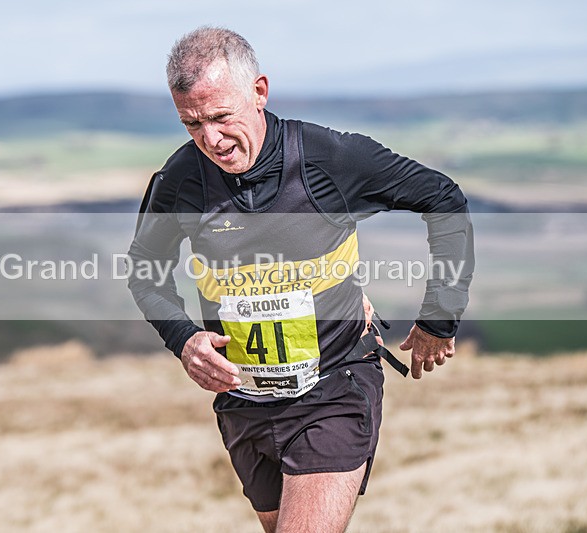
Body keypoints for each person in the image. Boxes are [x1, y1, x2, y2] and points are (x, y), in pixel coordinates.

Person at [127, 26, 474, 533]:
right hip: (244, 402)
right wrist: (184, 341)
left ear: (259, 92)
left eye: (222, 117)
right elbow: (144, 269)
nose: (212, 140)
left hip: (335, 387)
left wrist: (440, 317)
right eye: (192, 125)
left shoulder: (330, 158)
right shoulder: (181, 179)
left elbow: (443, 199)